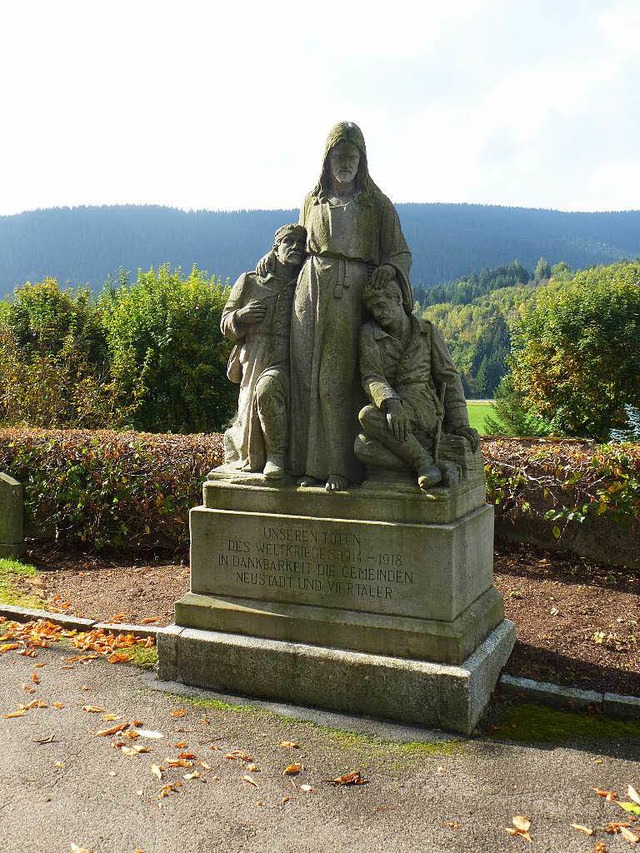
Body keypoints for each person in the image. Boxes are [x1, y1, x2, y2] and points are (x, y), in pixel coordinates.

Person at [288, 121, 413, 491]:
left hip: (352, 293)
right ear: (327, 160)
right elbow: (295, 244)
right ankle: (310, 466)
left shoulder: (377, 204)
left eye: (352, 156)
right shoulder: (311, 200)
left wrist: (388, 270)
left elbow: (400, 253)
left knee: (337, 381)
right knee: (306, 376)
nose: (345, 162)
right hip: (310, 292)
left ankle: (342, 468)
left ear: (362, 160)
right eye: (339, 155)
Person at [357, 277, 479, 491]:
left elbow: (448, 377)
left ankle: (423, 464)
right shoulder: (370, 333)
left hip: (424, 407)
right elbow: (371, 376)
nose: (377, 313)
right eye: (372, 308)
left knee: (366, 415)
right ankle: (434, 465)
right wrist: (391, 403)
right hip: (393, 407)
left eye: (381, 305)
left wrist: (460, 423)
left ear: (398, 299)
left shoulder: (426, 331)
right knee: (362, 447)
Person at [220, 224, 306, 478]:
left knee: (267, 391)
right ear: (275, 247)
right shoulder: (250, 281)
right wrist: (241, 316)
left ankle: (276, 456)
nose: (295, 248)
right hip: (254, 356)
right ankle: (252, 454)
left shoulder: (304, 283)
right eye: (288, 242)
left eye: (300, 245)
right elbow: (225, 321)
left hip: (288, 358)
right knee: (247, 416)